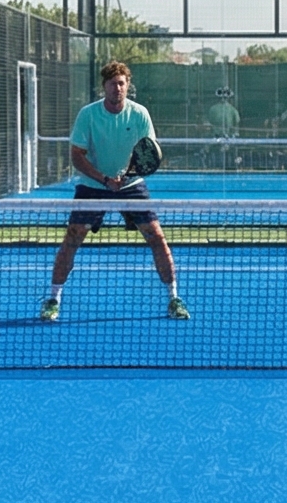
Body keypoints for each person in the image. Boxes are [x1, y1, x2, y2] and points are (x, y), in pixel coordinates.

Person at [46, 60, 187, 321]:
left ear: (127, 85)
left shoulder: (140, 114)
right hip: (92, 186)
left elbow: (149, 153)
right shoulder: (88, 115)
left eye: (122, 83)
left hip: (131, 186)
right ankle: (53, 299)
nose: (117, 88)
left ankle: (174, 298)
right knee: (72, 238)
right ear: (105, 87)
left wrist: (125, 175)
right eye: (113, 84)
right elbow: (77, 156)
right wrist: (104, 179)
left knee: (156, 236)